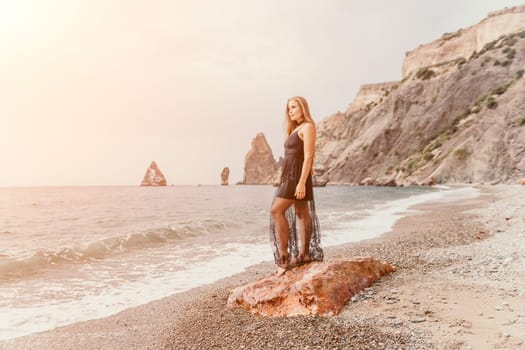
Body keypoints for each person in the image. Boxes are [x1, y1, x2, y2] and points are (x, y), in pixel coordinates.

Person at [270, 96, 324, 274]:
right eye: (288, 108)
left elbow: (308, 156)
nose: (290, 111)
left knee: (276, 211)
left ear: (303, 108)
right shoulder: (296, 128)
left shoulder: (308, 127)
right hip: (290, 176)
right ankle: (304, 254)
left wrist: (301, 183)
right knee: (301, 212)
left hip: (297, 177)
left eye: (293, 107)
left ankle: (284, 259)